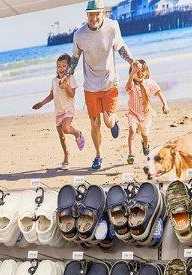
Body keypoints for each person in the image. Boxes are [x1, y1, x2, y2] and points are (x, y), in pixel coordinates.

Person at [68, 0, 136, 171]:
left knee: (107, 122)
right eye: (91, 14)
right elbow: (75, 58)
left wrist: (132, 61)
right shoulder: (79, 35)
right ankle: (98, 156)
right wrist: (67, 75)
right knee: (95, 123)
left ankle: (114, 121)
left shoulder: (112, 27)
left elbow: (120, 48)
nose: (94, 18)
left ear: (103, 13)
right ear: (87, 15)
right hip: (90, 86)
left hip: (109, 82)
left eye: (97, 14)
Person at [32, 54, 85, 170]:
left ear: (69, 67)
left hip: (68, 109)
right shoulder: (54, 81)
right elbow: (51, 96)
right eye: (59, 66)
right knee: (61, 136)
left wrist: (66, 87)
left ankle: (77, 133)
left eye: (64, 66)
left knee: (66, 129)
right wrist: (41, 103)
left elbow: (72, 95)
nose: (61, 68)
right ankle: (66, 157)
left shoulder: (71, 79)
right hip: (58, 111)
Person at [125, 59, 169, 164]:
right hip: (133, 113)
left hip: (146, 114)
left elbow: (159, 93)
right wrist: (132, 73)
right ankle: (131, 153)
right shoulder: (131, 85)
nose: (140, 74)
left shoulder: (149, 83)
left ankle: (145, 145)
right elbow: (128, 86)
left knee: (144, 135)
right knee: (132, 130)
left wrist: (165, 104)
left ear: (147, 72)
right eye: (137, 72)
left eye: (142, 71)